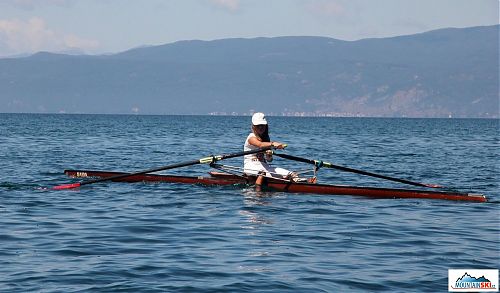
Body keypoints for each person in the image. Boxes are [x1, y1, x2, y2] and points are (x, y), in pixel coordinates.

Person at [243, 112, 291, 187]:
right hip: (250, 166)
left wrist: (269, 155)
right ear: (253, 126)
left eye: (262, 125)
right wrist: (273, 144)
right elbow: (260, 144)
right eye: (258, 126)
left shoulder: (266, 139)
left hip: (264, 166)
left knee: (291, 174)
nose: (261, 128)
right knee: (262, 173)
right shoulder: (251, 138)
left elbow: (269, 160)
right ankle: (258, 192)